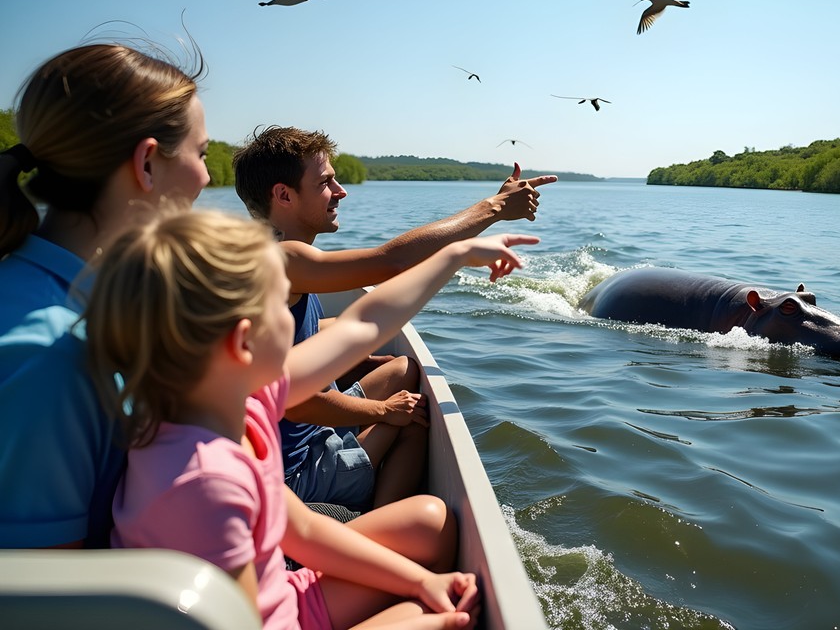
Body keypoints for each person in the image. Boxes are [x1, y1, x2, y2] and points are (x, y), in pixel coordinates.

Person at [86, 206, 539, 629]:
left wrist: (456, 255)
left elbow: (360, 325)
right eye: (281, 305)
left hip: (280, 593)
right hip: (267, 620)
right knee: (444, 616)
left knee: (430, 523)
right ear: (243, 342)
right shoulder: (206, 482)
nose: (295, 317)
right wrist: (427, 618)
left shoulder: (239, 399)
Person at [232, 126, 556, 511]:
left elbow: (300, 333)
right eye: (325, 182)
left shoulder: (259, 253)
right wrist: (495, 208)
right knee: (414, 415)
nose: (341, 191)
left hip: (303, 432)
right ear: (283, 195)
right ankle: (377, 523)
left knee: (400, 369)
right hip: (297, 470)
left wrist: (356, 357)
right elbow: (392, 262)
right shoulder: (284, 260)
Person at [0, 42, 211, 548]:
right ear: (146, 164)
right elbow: (43, 598)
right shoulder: (53, 352)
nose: (206, 176)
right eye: (201, 154)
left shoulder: (78, 299)